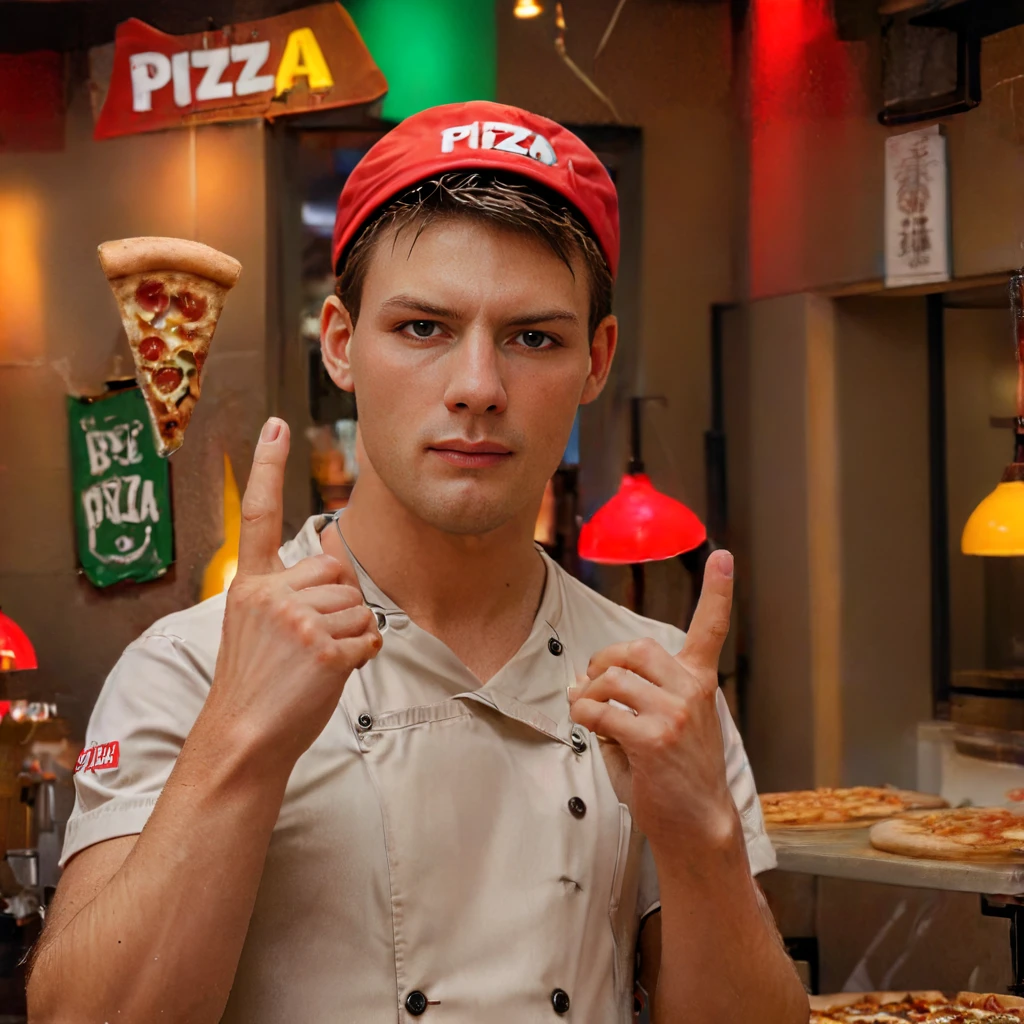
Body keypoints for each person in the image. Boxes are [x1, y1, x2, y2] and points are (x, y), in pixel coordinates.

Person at [27, 101, 808, 1023]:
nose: (478, 388)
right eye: (424, 329)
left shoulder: (657, 684)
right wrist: (239, 736)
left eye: (534, 338)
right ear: (341, 344)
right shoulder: (190, 665)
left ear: (596, 361)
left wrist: (705, 838)